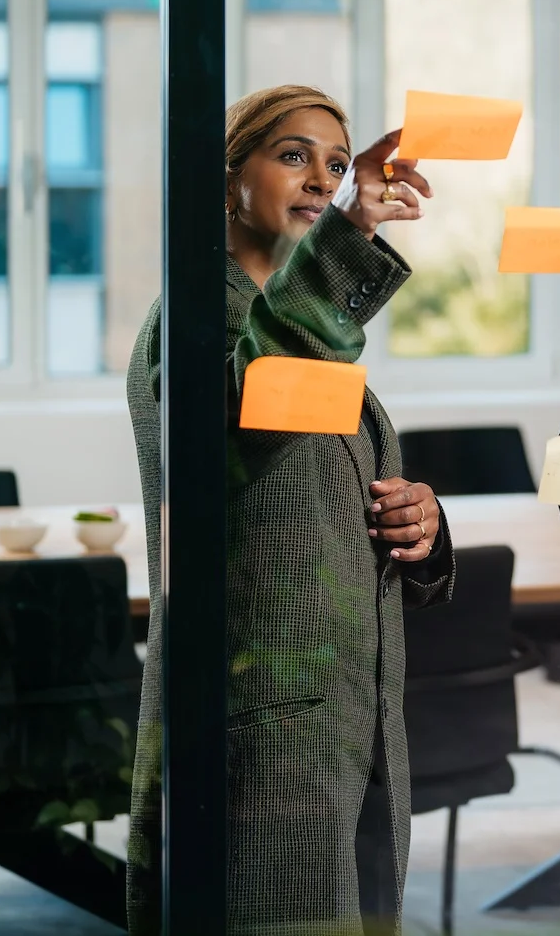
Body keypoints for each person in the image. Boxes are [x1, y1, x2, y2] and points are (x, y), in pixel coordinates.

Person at [125, 85, 454, 935]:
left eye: (338, 164)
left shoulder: (289, 321)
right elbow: (253, 412)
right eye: (295, 155)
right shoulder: (196, 321)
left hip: (346, 722)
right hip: (262, 733)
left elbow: (320, 482)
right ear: (228, 176)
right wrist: (351, 230)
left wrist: (419, 522)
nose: (321, 179)